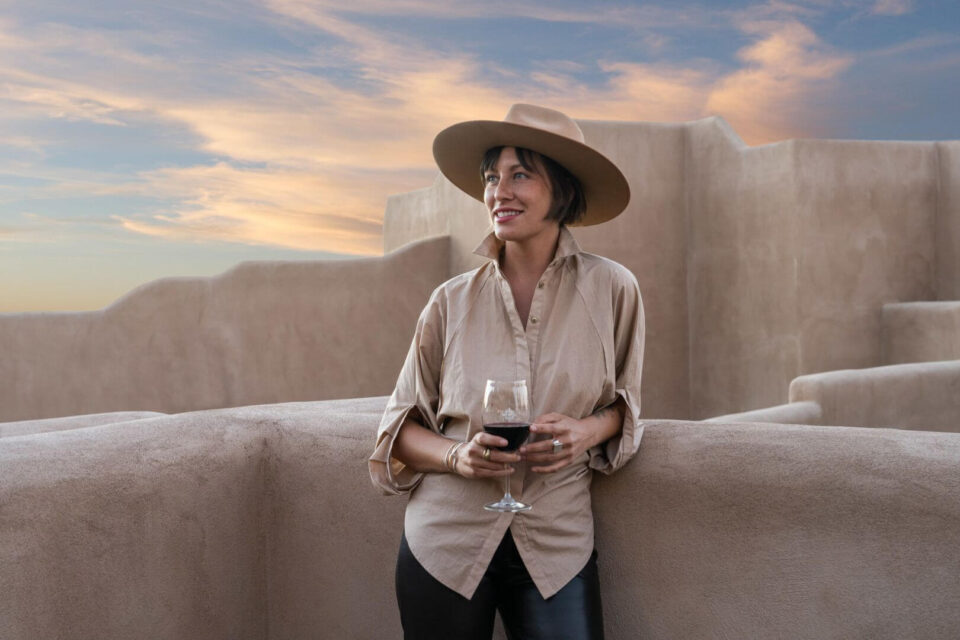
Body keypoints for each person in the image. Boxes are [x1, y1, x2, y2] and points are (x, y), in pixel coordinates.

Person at [369, 103, 645, 640]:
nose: (500, 192)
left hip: (556, 541)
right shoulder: (448, 301)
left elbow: (626, 403)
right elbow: (397, 430)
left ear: (561, 190)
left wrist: (585, 432)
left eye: (521, 175)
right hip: (446, 543)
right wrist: (457, 456)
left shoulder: (614, 289)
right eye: (493, 177)